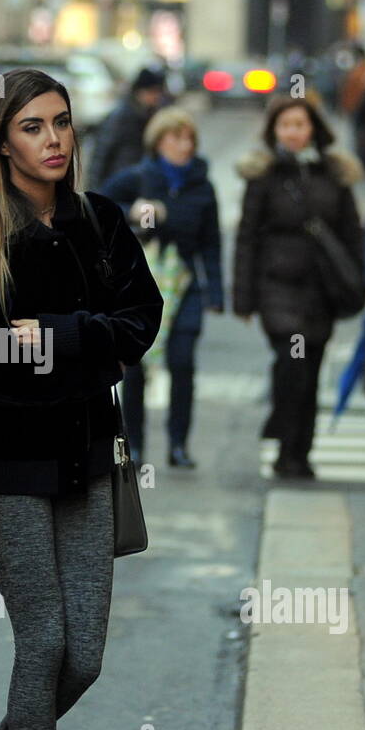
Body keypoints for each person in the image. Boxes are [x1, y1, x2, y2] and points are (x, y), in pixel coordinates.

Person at [0, 68, 161, 730]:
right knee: (42, 639)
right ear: (1, 139)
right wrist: (62, 350)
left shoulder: (98, 221)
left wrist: (63, 335)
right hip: (3, 456)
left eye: (62, 124)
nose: (52, 141)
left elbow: (138, 322)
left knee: (86, 656)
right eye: (32, 127)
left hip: (84, 450)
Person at [233, 94, 364, 479]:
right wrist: (243, 297)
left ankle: (299, 452)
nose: (293, 132)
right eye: (285, 125)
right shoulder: (263, 175)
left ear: (313, 129)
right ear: (274, 130)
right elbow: (246, 238)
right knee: (293, 361)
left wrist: (363, 278)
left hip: (322, 288)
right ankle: (284, 440)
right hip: (277, 286)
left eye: (300, 125)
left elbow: (352, 232)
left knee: (311, 369)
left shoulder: (336, 175)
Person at [101, 105, 223, 468]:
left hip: (185, 284)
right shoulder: (138, 177)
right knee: (137, 366)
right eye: (175, 137)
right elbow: (95, 208)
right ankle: (134, 445)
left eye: (189, 138)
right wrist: (134, 211)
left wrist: (217, 291)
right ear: (158, 141)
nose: (184, 145)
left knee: (183, 363)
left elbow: (211, 241)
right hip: (142, 284)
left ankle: (178, 444)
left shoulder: (202, 186)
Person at [88, 67, 166, 188]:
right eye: (153, 91)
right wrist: (93, 192)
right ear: (141, 91)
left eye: (158, 92)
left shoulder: (153, 115)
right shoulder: (121, 117)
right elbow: (101, 154)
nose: (157, 96)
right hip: (118, 183)